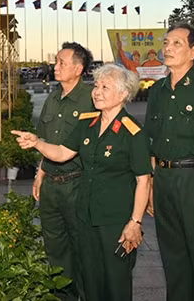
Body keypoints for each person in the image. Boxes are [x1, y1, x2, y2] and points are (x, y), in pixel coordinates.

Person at [13, 63, 152, 300]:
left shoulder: (132, 132)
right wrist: (36, 142)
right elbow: (61, 153)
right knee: (90, 280)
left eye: (105, 87)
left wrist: (135, 222)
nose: (97, 91)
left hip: (115, 221)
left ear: (123, 94)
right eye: (96, 86)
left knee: (116, 282)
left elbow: (144, 181)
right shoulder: (87, 124)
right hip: (85, 215)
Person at [145, 22, 194, 301]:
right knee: (171, 253)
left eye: (177, 44)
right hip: (163, 179)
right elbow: (150, 141)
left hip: (193, 177)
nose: (168, 49)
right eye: (166, 43)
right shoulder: (158, 91)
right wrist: (151, 184)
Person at [31, 42, 95, 301]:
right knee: (55, 249)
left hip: (77, 185)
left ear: (78, 68)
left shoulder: (91, 98)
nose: (55, 67)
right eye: (56, 62)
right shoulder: (52, 98)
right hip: (52, 187)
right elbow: (45, 141)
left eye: (61, 63)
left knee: (82, 248)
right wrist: (40, 175)